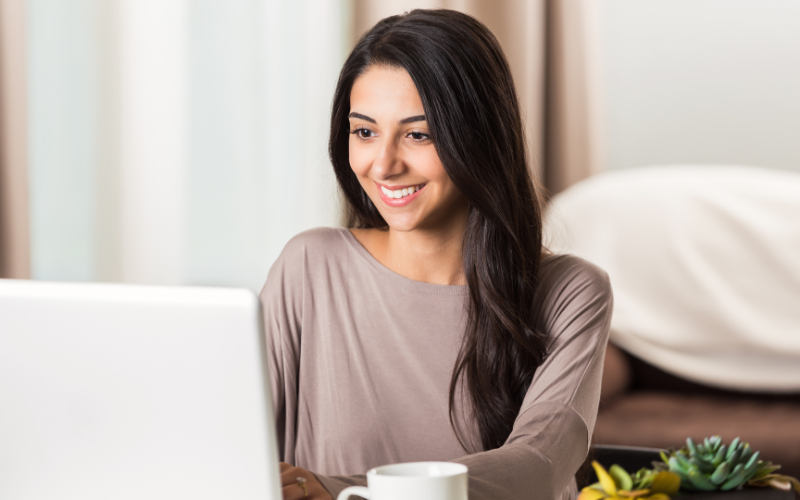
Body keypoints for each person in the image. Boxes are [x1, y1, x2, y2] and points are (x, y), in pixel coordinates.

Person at [260, 9, 612, 500]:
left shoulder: (571, 291)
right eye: (364, 132)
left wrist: (339, 492)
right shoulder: (309, 267)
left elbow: (539, 465)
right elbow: (237, 444)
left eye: (417, 134)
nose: (383, 164)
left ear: (479, 137)